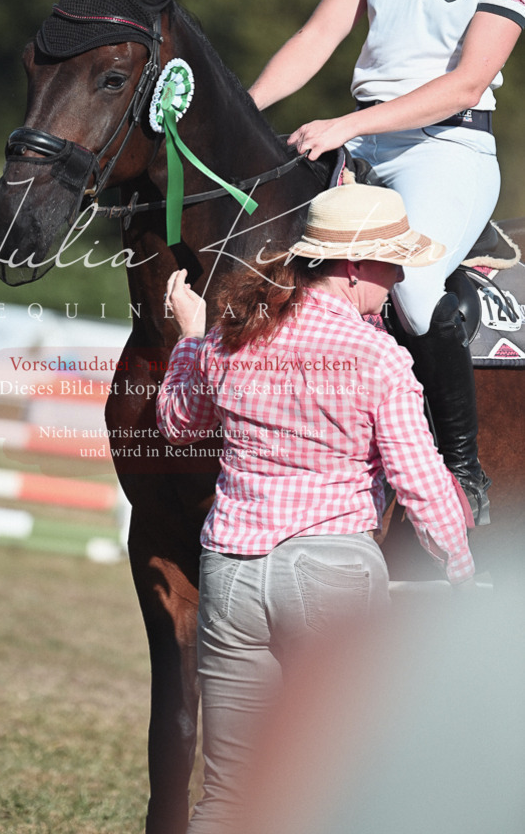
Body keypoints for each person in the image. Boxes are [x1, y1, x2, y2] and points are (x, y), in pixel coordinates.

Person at [156, 183, 476, 834]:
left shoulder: (233, 332)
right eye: (394, 262)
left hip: (233, 568)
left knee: (229, 795)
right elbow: (420, 481)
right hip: (332, 572)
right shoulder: (378, 355)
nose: (399, 277)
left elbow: (177, 422)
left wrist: (191, 337)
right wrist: (463, 571)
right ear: (356, 267)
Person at [248, 0, 525, 526]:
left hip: (447, 151)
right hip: (366, 145)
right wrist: (241, 114)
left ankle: (463, 475)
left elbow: (466, 83)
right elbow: (320, 34)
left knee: (414, 284)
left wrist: (347, 123)